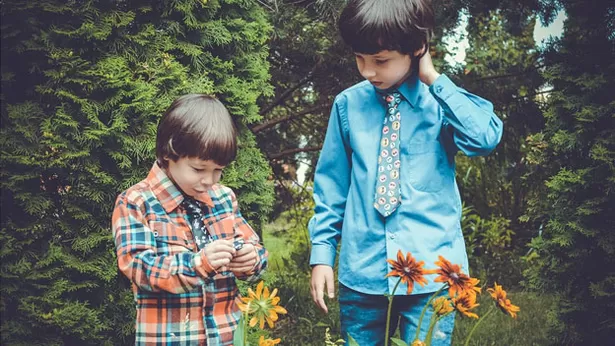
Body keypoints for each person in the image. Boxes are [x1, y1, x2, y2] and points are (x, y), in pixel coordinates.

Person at [308, 0, 503, 344]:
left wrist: (432, 78)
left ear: (416, 48)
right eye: (359, 58)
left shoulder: (440, 104)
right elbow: (332, 187)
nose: (368, 70)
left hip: (432, 276)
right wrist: (323, 254)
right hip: (362, 276)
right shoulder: (347, 105)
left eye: (380, 60)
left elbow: (485, 138)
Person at [112, 94, 267, 345]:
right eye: (198, 169)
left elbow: (256, 251)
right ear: (168, 153)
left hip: (226, 338)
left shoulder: (224, 199)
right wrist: (198, 264)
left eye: (218, 170)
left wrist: (251, 260)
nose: (209, 180)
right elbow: (140, 268)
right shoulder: (136, 202)